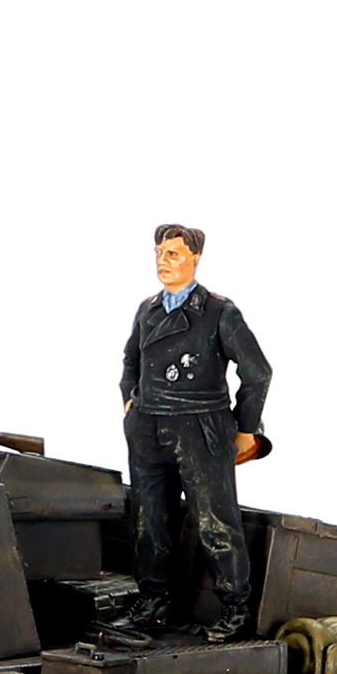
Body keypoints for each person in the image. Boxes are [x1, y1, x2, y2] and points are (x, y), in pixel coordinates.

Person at [116, 224, 271, 643]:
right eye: (159, 252)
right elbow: (131, 361)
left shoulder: (219, 312)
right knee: (149, 519)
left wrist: (245, 429)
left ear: (195, 259)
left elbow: (257, 372)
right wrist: (131, 403)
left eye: (173, 254)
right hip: (149, 427)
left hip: (200, 428)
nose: (163, 261)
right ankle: (155, 602)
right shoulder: (148, 310)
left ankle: (235, 607)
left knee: (214, 520)